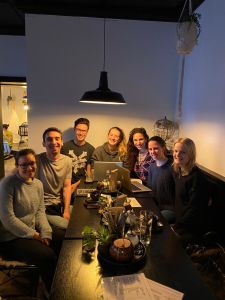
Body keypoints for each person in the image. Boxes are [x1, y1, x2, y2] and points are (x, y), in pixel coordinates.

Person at [0, 149, 59, 292]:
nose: (29, 168)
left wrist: (45, 231)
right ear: (17, 166)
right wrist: (35, 235)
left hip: (31, 231)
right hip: (10, 239)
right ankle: (54, 292)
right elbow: (8, 219)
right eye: (23, 165)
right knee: (47, 255)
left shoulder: (38, 184)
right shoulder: (7, 184)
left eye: (32, 163)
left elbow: (40, 212)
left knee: (63, 239)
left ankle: (60, 278)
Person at [172, 138, 211, 246]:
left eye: (183, 152)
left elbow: (194, 210)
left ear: (191, 155)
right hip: (180, 221)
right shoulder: (179, 170)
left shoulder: (197, 178)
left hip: (191, 228)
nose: (177, 154)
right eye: (175, 151)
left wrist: (176, 228)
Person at [36, 127, 72, 230]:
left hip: (59, 204)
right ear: (44, 143)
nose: (54, 142)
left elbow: (66, 187)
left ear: (62, 142)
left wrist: (66, 211)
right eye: (49, 139)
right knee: (70, 228)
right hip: (44, 208)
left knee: (81, 216)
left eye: (57, 138)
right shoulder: (37, 160)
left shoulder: (68, 161)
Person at [147, 136, 175, 223]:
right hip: (155, 206)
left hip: (170, 209)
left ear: (163, 148)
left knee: (152, 223)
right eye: (150, 149)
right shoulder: (151, 167)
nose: (152, 152)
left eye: (155, 148)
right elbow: (150, 190)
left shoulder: (173, 167)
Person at [61, 118, 95, 188]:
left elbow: (90, 171)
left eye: (84, 131)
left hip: (82, 185)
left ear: (87, 132)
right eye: (78, 130)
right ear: (74, 129)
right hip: (66, 185)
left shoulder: (91, 149)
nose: (81, 133)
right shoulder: (64, 147)